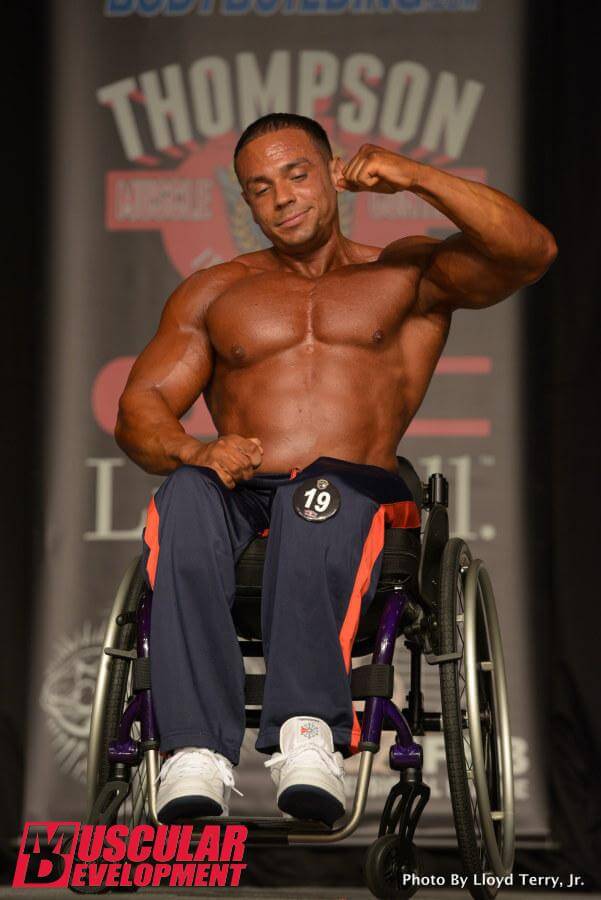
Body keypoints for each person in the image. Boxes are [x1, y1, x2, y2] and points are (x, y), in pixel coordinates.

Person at [115, 113, 556, 825]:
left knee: (316, 495)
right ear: (246, 202)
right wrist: (196, 450)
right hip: (241, 491)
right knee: (186, 493)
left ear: (332, 172)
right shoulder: (215, 291)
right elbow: (141, 408)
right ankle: (194, 749)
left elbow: (529, 251)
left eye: (296, 174)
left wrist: (414, 177)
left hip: (355, 490)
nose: (282, 197)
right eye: (260, 187)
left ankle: (307, 731)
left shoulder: (405, 272)